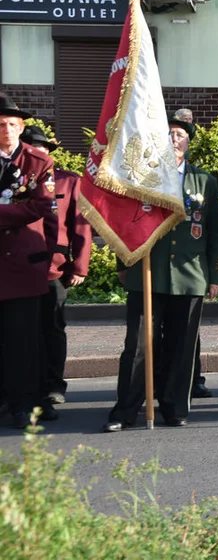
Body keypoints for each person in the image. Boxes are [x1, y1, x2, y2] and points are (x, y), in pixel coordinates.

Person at [104, 115, 218, 431]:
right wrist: (123, 264)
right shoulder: (143, 178)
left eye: (180, 134)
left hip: (189, 275)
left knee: (180, 346)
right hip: (148, 274)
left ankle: (173, 407)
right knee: (139, 346)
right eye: (168, 133)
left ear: (188, 142)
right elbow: (124, 225)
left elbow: (214, 233)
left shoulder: (205, 182)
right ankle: (125, 411)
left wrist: (216, 275)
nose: (174, 138)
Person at [21, 126, 91, 411]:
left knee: (52, 327)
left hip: (54, 268)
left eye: (43, 148)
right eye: (33, 147)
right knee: (21, 331)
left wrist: (80, 266)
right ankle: (23, 387)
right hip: (18, 269)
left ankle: (53, 385)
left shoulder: (67, 181)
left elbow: (81, 225)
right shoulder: (15, 180)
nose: (39, 152)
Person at [0, 96, 57, 430]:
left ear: (20, 128)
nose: (5, 131)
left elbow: (42, 206)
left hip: (24, 265)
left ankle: (24, 406)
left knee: (23, 341)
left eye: (11, 125)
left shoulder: (37, 162)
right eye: (0, 125)